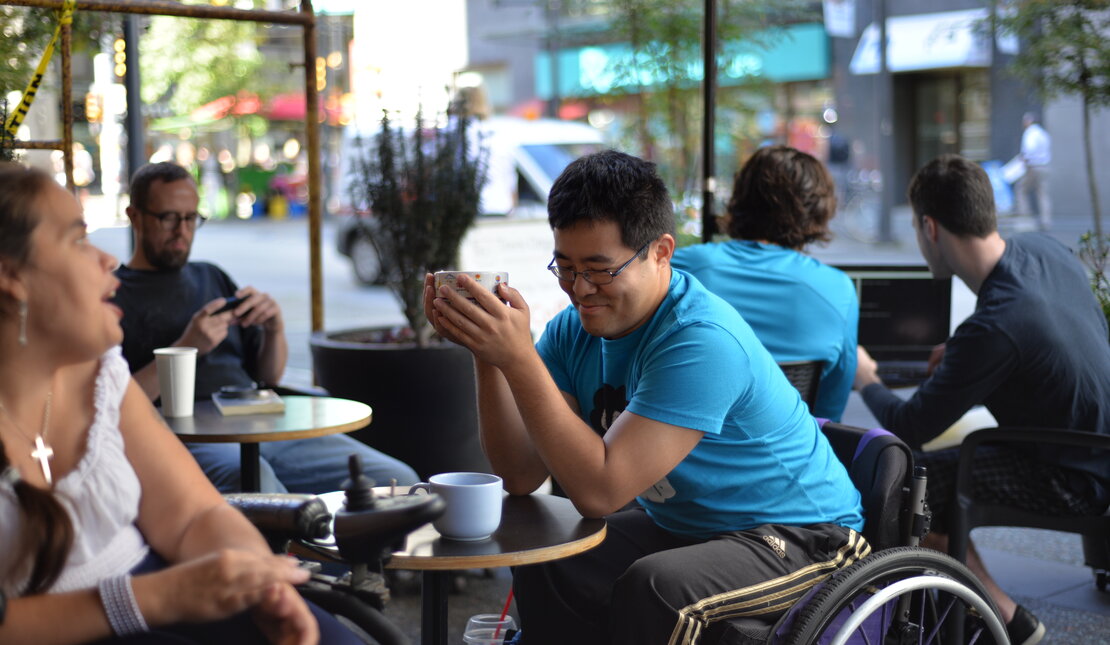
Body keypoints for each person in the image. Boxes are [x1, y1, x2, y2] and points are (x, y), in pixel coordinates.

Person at [425, 150, 866, 644]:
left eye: (600, 269)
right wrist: (489, 356)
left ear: (661, 252)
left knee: (657, 588)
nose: (580, 289)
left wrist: (520, 358)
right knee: (550, 557)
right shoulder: (575, 330)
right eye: (565, 267)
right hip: (690, 526)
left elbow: (600, 491)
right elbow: (521, 475)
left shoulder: (701, 339)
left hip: (805, 536)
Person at [0, 162, 363, 644]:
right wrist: (160, 596)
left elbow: (195, 515)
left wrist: (263, 582)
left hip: (242, 447)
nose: (103, 260)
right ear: (12, 278)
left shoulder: (101, 371)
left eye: (192, 218)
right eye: (77, 239)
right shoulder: (119, 313)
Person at [854, 154, 1110, 645]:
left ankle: (996, 616)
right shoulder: (1045, 251)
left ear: (930, 227)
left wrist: (867, 379)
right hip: (1095, 447)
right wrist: (964, 355)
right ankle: (999, 616)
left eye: (914, 225)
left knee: (911, 481)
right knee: (934, 487)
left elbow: (910, 425)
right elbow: (1050, 339)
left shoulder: (994, 327)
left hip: (1077, 479)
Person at [112, 162, 417, 494]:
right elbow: (113, 402)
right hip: (188, 435)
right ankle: (290, 545)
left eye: (191, 218)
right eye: (169, 217)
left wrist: (274, 327)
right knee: (257, 482)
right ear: (135, 216)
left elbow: (269, 377)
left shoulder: (211, 276)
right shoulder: (113, 296)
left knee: (396, 479)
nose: (182, 230)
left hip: (260, 419)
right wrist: (188, 347)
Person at [673, 145, 858, 421]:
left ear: (740, 198)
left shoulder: (681, 268)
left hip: (682, 455)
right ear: (818, 209)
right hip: (786, 457)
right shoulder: (839, 290)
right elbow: (828, 416)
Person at [1015, 112, 1052, 231]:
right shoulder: (1043, 133)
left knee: (1021, 189)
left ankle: (1025, 216)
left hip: (1033, 166)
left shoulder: (1030, 133)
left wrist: (1023, 158)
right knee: (1042, 193)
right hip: (1044, 166)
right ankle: (1046, 220)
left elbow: (1028, 149)